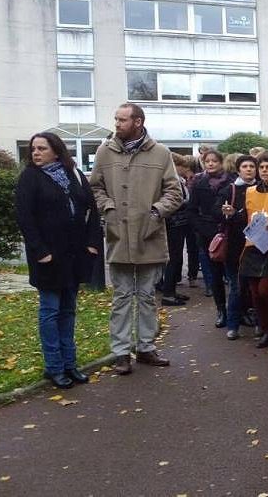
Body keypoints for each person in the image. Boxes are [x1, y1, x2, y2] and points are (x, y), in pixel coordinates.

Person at [89, 103, 182, 375]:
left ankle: (146, 347)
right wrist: (108, 207)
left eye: (122, 120)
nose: (117, 124)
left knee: (146, 296)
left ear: (138, 122)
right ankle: (121, 352)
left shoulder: (161, 153)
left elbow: (174, 192)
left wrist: (156, 211)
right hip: (118, 234)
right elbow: (95, 188)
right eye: (116, 119)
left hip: (148, 234)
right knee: (121, 297)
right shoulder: (105, 151)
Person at [16, 132, 102, 389]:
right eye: (33, 149)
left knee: (68, 310)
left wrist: (92, 244)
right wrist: (40, 251)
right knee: (50, 311)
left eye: (42, 148)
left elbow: (92, 210)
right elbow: (25, 218)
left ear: (56, 150)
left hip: (74, 255)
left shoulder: (73, 174)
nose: (36, 153)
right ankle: (54, 367)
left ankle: (70, 364)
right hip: (48, 257)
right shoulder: (30, 177)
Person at [230, 152, 268, 346]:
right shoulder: (251, 191)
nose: (264, 171)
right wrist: (232, 214)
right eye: (262, 167)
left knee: (266, 290)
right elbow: (244, 216)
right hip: (252, 246)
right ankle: (266, 330)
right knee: (255, 293)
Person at [187, 150, 234, 328]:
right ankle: (221, 309)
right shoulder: (199, 183)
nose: (211, 164)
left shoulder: (231, 181)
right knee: (215, 274)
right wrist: (203, 229)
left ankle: (238, 310)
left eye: (214, 161)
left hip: (229, 230)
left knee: (233, 273)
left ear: (221, 162)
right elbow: (191, 210)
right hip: (207, 233)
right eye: (207, 161)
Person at [217, 155, 258, 339]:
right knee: (236, 287)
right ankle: (232, 325)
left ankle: (259, 323)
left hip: (257, 245)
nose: (248, 169)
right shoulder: (230, 189)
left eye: (252, 166)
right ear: (238, 169)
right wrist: (226, 214)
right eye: (245, 166)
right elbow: (216, 211)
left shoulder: (261, 188)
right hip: (235, 245)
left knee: (255, 288)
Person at [159, 153, 193, 306]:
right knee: (173, 258)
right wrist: (188, 203)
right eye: (183, 167)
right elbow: (173, 201)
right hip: (173, 223)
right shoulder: (170, 181)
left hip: (178, 222)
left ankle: (170, 290)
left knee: (176, 258)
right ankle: (168, 294)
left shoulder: (179, 180)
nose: (185, 170)